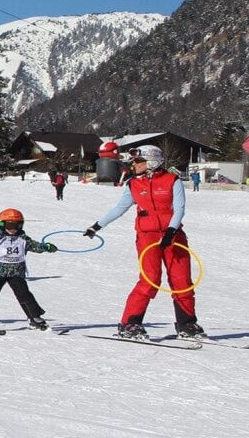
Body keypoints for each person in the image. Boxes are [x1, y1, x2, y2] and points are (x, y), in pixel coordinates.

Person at [83, 144, 203, 339]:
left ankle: (187, 324)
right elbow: (119, 208)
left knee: (182, 280)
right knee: (150, 279)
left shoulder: (172, 180)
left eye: (139, 161)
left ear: (152, 161)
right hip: (148, 238)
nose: (134, 164)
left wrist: (171, 231)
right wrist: (96, 226)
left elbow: (179, 209)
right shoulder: (133, 184)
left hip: (173, 237)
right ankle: (130, 323)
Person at [0, 208, 58, 330]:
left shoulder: (23, 238)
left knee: (24, 294)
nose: (13, 228)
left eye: (17, 225)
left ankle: (34, 317)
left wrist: (46, 247)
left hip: (16, 272)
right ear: (2, 224)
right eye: (9, 225)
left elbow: (35, 246)